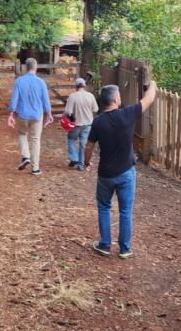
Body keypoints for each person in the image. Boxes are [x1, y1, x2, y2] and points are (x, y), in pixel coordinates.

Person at [84, 80, 158, 259]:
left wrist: (86, 162)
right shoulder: (128, 114)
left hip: (105, 175)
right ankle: (125, 249)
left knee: (104, 208)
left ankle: (105, 245)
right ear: (116, 99)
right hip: (126, 173)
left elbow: (89, 146)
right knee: (125, 211)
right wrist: (153, 84)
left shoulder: (98, 122)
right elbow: (149, 99)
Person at [7, 57, 53, 176]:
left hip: (23, 115)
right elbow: (46, 100)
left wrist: (11, 114)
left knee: (22, 134)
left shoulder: (19, 81)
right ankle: (35, 168)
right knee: (35, 139)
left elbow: (14, 99)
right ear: (35, 67)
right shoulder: (41, 82)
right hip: (37, 115)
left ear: (25, 68)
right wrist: (49, 114)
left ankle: (25, 156)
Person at [65, 77, 98, 171]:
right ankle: (81, 165)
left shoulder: (72, 96)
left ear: (76, 86)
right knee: (83, 144)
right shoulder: (90, 96)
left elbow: (68, 112)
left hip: (75, 124)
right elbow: (95, 109)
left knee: (71, 139)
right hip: (87, 124)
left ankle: (74, 157)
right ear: (84, 85)